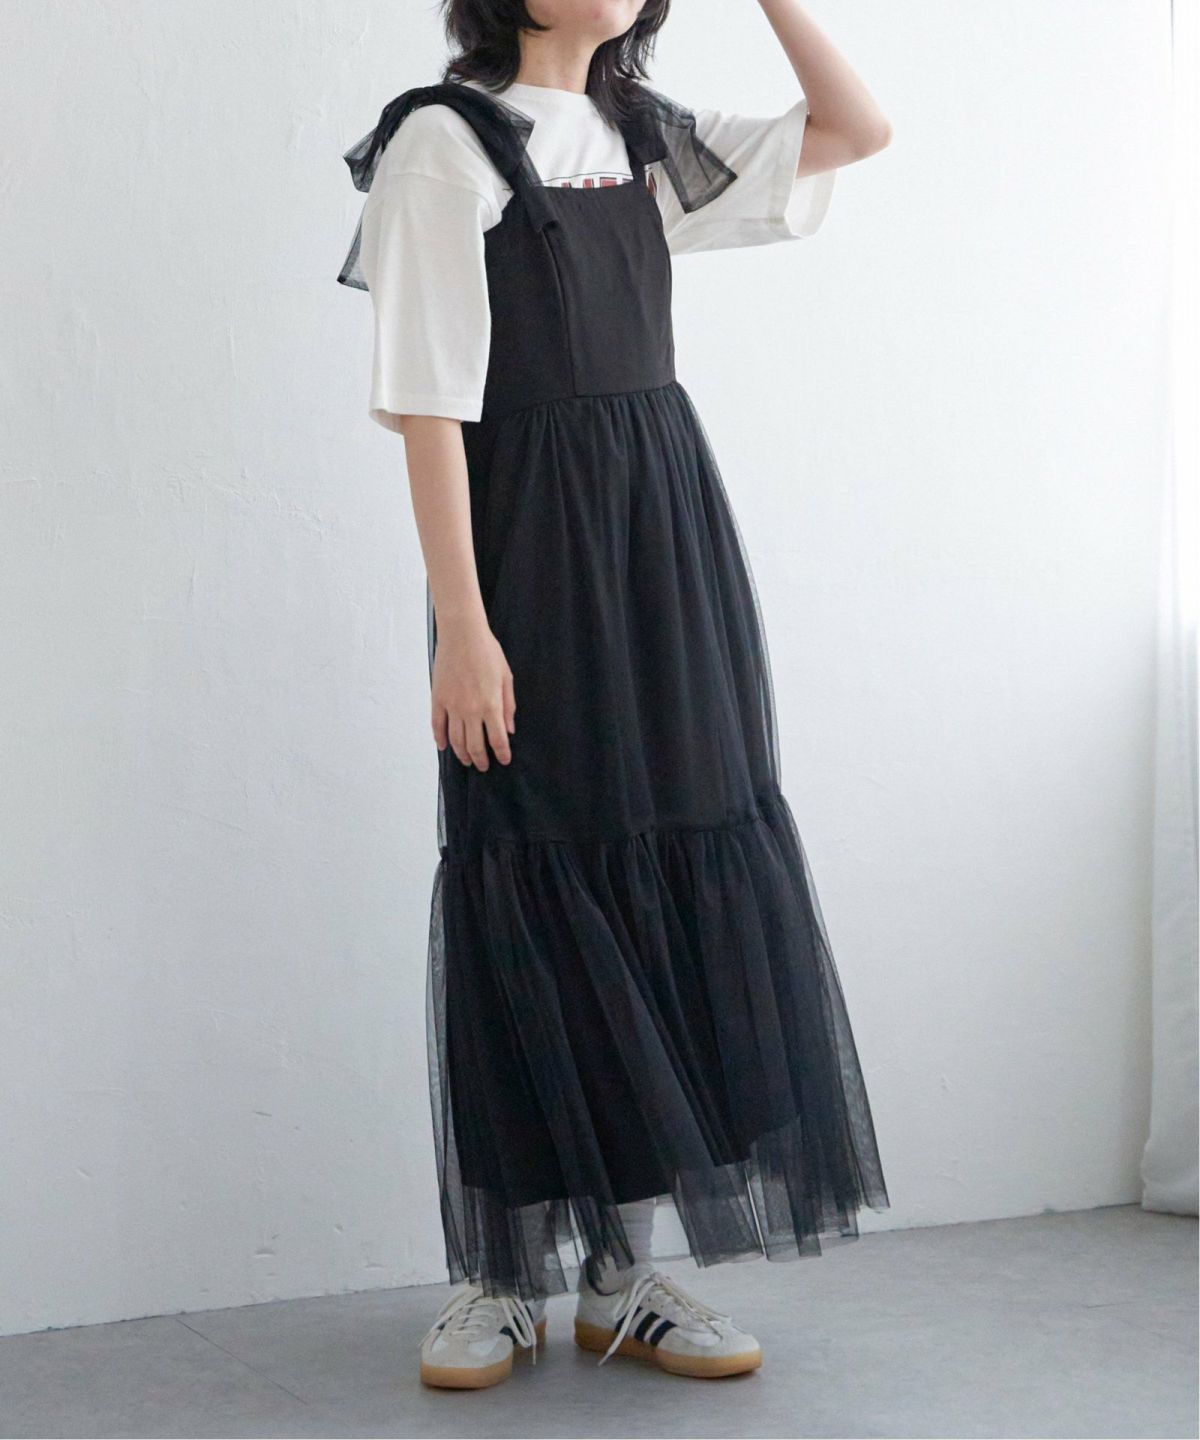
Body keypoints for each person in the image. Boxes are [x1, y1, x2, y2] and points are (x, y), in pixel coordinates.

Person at [337, 0, 893, 1389]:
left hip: (663, 536)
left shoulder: (645, 135)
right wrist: (463, 628)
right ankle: (498, 1279)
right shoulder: (444, 141)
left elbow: (855, 128)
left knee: (672, 851)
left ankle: (620, 1274)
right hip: (528, 547)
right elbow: (427, 403)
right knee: (532, 857)